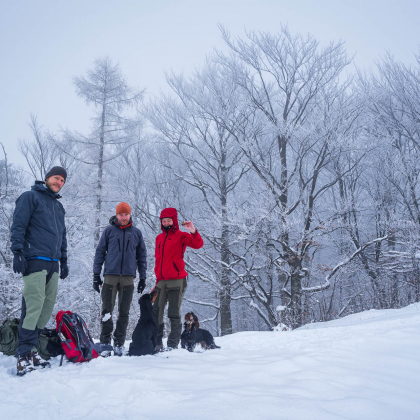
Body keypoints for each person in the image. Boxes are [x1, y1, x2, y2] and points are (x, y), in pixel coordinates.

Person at [10, 166, 69, 376]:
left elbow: (63, 236)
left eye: (62, 180)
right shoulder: (30, 197)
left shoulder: (59, 208)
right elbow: (18, 224)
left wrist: (64, 260)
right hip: (34, 259)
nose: (59, 182)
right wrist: (17, 252)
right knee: (33, 306)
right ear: (47, 179)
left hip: (53, 263)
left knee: (46, 309)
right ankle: (23, 354)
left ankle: (33, 349)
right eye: (56, 178)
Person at [93, 202, 147, 356]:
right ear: (116, 215)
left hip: (128, 278)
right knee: (107, 311)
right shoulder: (109, 231)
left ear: (130, 215)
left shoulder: (136, 233)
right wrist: (96, 275)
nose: (124, 217)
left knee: (124, 312)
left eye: (126, 214)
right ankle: (104, 343)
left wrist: (143, 278)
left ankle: (119, 343)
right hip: (110, 276)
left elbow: (141, 256)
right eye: (121, 214)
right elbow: (100, 253)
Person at [153, 207, 203, 351]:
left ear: (174, 221)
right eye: (164, 220)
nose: (166, 223)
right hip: (161, 281)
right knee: (156, 311)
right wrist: (156, 282)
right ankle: (157, 343)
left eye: (169, 220)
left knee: (173, 313)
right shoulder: (159, 238)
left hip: (176, 279)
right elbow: (158, 261)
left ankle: (172, 345)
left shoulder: (181, 235)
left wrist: (193, 231)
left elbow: (198, 244)